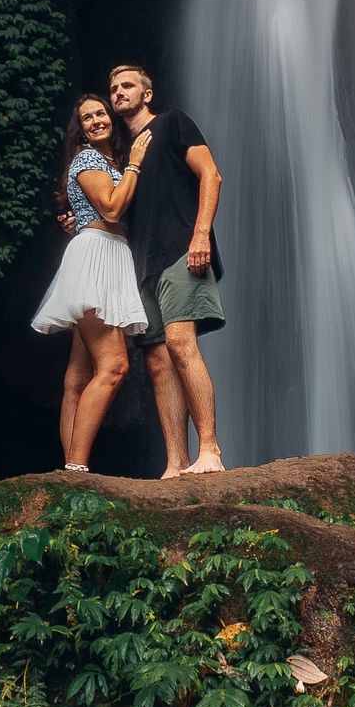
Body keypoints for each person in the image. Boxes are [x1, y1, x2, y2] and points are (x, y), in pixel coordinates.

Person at [106, 62, 225, 477]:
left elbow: (211, 174)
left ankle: (209, 449)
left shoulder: (173, 124)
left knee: (180, 341)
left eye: (127, 85)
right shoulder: (122, 154)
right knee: (156, 362)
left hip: (181, 250)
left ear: (147, 93)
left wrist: (201, 235)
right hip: (142, 263)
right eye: (114, 88)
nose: (119, 92)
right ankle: (175, 462)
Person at [30, 94, 152, 471]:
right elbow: (112, 208)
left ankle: (70, 466)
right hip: (96, 255)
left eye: (101, 113)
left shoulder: (107, 161)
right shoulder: (89, 159)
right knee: (114, 367)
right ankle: (77, 468)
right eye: (88, 117)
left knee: (78, 376)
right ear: (79, 128)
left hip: (109, 253)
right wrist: (134, 164)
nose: (97, 120)